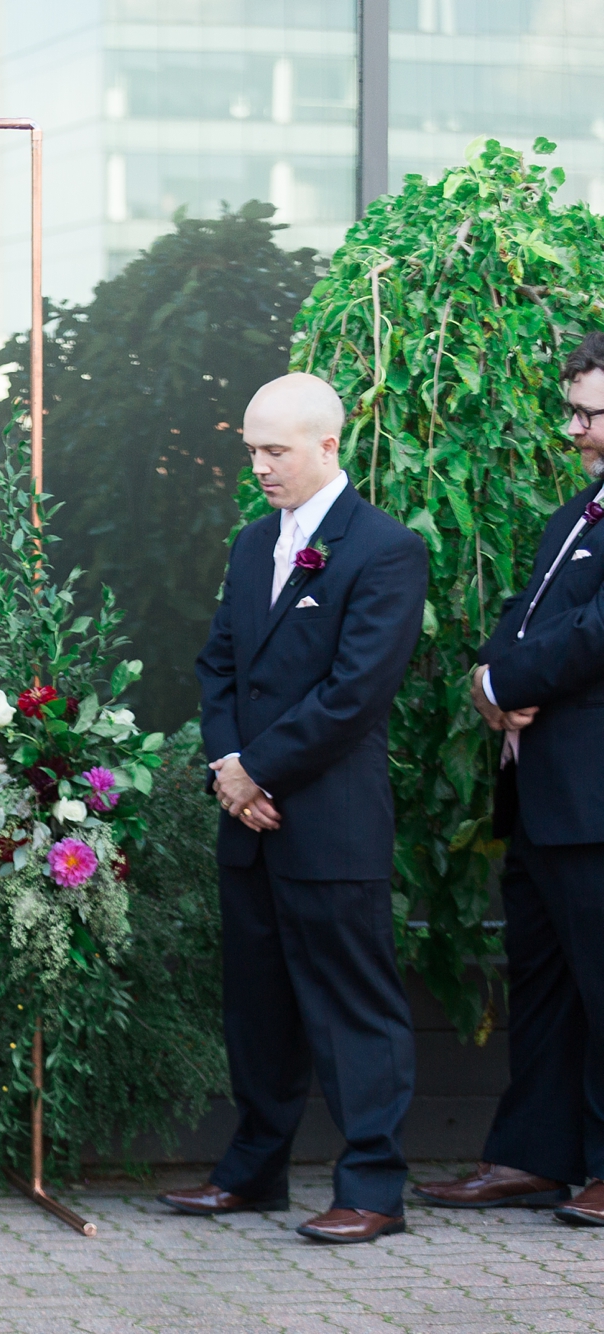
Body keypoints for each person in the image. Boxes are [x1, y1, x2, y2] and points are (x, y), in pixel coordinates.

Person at [169, 372, 427, 1244]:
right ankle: (254, 1174)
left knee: (354, 1006)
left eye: (275, 450)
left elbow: (356, 693)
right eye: (251, 448)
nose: (260, 466)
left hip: (329, 820)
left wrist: (258, 772)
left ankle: (373, 1189)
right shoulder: (251, 546)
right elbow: (219, 668)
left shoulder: (385, 550)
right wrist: (227, 766)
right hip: (248, 820)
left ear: (328, 445)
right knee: (259, 1007)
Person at [417, 332, 604, 1225]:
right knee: (543, 986)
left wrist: (510, 680)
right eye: (572, 410)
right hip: (542, 796)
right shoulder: (573, 517)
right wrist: (491, 681)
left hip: (598, 801)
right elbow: (521, 622)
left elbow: (595, 635)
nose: (574, 429)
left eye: (589, 413)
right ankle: (534, 1157)